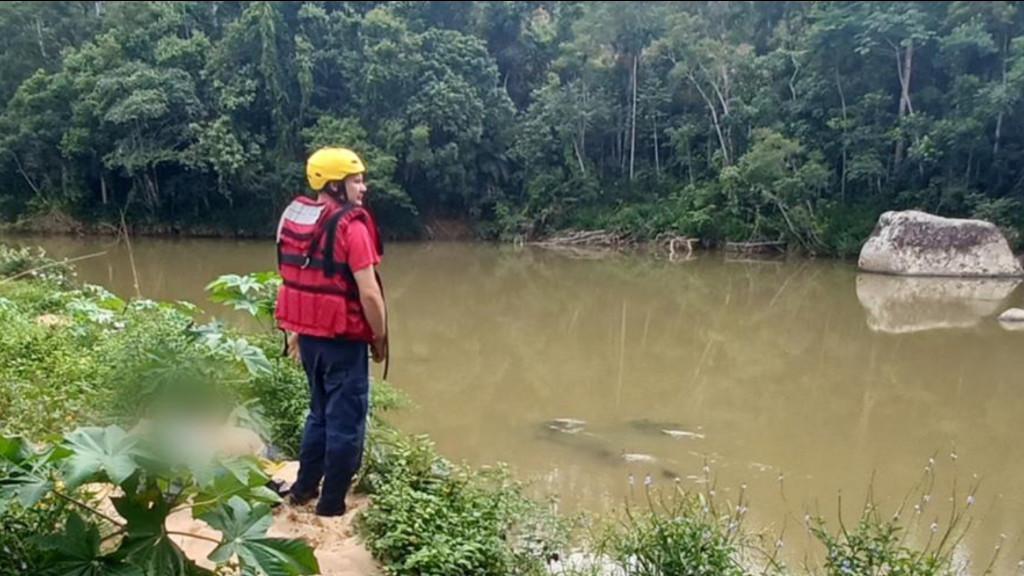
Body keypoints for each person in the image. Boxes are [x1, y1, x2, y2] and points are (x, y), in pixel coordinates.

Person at [274, 147, 387, 516]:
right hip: (343, 342)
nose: (363, 187)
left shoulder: (296, 218)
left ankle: (305, 489)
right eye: (356, 180)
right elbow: (369, 293)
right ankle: (332, 504)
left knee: (319, 414)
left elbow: (295, 278)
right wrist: (380, 336)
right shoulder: (351, 227)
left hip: (309, 339)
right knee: (346, 424)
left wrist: (295, 331)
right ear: (335, 184)